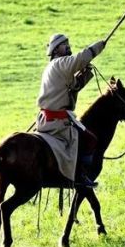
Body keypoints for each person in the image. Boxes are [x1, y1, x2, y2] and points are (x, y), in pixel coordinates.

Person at [35, 33, 106, 187]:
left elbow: (73, 87)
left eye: (68, 43)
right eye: (64, 44)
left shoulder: (54, 67)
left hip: (47, 119)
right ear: (55, 50)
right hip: (58, 122)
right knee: (90, 139)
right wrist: (100, 45)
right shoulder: (61, 63)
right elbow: (80, 59)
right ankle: (80, 175)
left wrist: (85, 74)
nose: (68, 46)